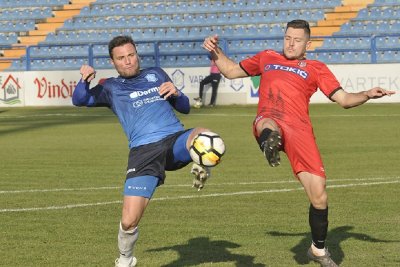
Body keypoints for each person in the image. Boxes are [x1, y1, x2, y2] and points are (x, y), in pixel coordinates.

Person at [202, 20, 395, 267]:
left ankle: (317, 249)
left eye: (297, 40)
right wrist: (214, 51)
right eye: (287, 38)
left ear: (308, 44)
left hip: (300, 131)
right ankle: (268, 143)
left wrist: (367, 94)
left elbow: (344, 99)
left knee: (319, 196)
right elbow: (229, 71)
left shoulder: (316, 68)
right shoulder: (266, 57)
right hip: (271, 118)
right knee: (267, 123)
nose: (290, 44)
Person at [72, 35, 223, 267]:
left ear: (137, 54)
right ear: (113, 62)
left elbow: (184, 109)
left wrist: (177, 93)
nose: (128, 61)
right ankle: (125, 259)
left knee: (205, 135)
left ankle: (201, 162)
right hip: (143, 152)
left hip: (174, 140)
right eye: (121, 58)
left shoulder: (156, 74)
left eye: (131, 55)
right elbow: (79, 100)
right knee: (129, 221)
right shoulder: (110, 87)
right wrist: (84, 80)